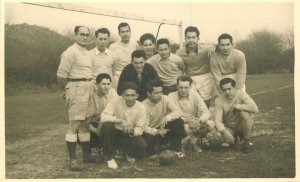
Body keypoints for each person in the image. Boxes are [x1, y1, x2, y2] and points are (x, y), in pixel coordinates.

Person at [57, 26, 98, 171]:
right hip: (76, 88)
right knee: (74, 125)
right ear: (75, 36)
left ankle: (87, 156)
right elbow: (61, 75)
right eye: (82, 34)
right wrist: (67, 90)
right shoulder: (70, 52)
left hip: (88, 87)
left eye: (87, 35)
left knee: (85, 124)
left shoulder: (86, 52)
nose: (85, 37)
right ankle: (73, 160)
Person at [100, 82, 147, 169]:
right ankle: (109, 157)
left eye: (133, 95)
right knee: (107, 126)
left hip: (129, 134)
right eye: (127, 95)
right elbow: (103, 117)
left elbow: (140, 128)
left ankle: (124, 152)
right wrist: (120, 121)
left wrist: (132, 131)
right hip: (115, 132)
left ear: (137, 96)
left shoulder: (141, 107)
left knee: (142, 144)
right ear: (122, 95)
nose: (130, 98)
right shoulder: (115, 101)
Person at [206, 78, 258, 153]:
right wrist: (224, 131)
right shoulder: (219, 100)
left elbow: (255, 108)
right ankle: (234, 139)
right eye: (224, 90)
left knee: (244, 113)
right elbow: (218, 120)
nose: (227, 92)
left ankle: (246, 142)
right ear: (221, 90)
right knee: (212, 137)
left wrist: (239, 106)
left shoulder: (241, 94)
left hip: (242, 125)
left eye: (229, 89)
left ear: (234, 88)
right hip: (230, 127)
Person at [168, 75, 215, 153]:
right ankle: (185, 143)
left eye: (186, 87)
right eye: (181, 87)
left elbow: (206, 112)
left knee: (211, 125)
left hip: (195, 122)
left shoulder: (195, 94)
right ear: (177, 86)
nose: (183, 90)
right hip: (180, 123)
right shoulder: (171, 96)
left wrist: (199, 120)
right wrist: (186, 121)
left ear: (190, 86)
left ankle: (189, 142)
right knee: (186, 128)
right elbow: (171, 115)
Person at [143, 79, 185, 157]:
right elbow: (143, 127)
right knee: (147, 136)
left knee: (178, 122)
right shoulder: (143, 106)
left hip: (163, 129)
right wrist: (156, 131)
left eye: (161, 92)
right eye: (156, 93)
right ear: (148, 94)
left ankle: (175, 150)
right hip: (151, 132)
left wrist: (167, 118)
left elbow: (179, 112)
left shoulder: (165, 98)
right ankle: (151, 153)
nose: (159, 95)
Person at [176, 26, 216, 106]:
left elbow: (215, 46)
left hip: (205, 77)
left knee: (205, 102)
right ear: (185, 39)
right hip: (190, 78)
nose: (191, 40)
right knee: (191, 101)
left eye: (193, 37)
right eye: (188, 37)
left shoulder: (205, 49)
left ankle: (205, 117)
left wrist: (213, 49)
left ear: (198, 38)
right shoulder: (180, 52)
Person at [89, 73, 118, 157]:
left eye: (108, 84)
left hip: (106, 122)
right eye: (103, 84)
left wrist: (100, 127)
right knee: (80, 128)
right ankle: (94, 147)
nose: (106, 87)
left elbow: (113, 114)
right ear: (97, 84)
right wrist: (95, 130)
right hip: (92, 124)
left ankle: (109, 150)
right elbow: (85, 117)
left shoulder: (113, 93)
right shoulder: (90, 94)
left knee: (108, 126)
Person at [109, 22, 138, 89]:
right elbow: (111, 64)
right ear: (119, 33)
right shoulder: (113, 47)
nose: (125, 34)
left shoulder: (135, 44)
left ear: (130, 32)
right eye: (122, 32)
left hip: (132, 76)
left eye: (127, 31)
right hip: (118, 76)